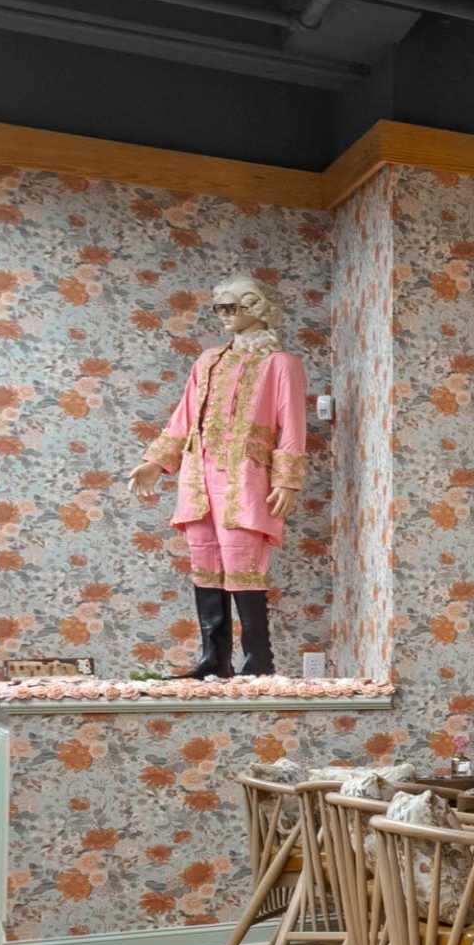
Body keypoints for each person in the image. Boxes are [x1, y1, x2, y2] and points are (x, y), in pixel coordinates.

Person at [139, 277, 306, 677]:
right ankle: (214, 658)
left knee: (243, 562)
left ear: (256, 308)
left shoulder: (279, 363)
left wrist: (287, 480)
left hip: (246, 478)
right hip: (198, 478)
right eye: (221, 308)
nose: (226, 316)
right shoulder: (208, 361)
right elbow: (182, 418)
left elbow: (292, 427)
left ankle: (258, 662)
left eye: (233, 307)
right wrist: (155, 462)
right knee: (205, 560)